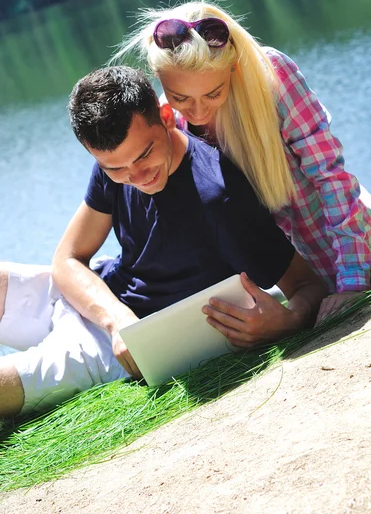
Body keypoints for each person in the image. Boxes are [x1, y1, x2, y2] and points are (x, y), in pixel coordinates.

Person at [0, 66, 327, 419]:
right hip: (102, 301)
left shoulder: (219, 198)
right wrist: (116, 319)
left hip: (124, 346)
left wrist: (289, 322)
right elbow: (67, 259)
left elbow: (308, 285)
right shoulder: (117, 161)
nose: (136, 176)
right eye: (115, 169)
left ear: (167, 117)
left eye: (144, 155)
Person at [114, 0, 371, 323]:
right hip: (288, 280)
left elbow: (330, 177)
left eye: (213, 93)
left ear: (232, 67)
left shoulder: (273, 75)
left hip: (347, 254)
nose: (198, 112)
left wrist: (351, 284)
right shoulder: (172, 124)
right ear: (159, 78)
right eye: (180, 97)